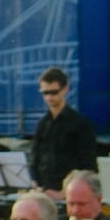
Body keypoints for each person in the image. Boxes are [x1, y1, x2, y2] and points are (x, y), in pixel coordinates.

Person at [29, 66, 96, 196]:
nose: (49, 97)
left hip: (68, 195)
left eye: (54, 92)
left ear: (65, 89)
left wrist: (64, 193)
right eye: (45, 93)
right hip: (44, 193)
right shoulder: (42, 124)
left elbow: (89, 167)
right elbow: (35, 159)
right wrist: (35, 185)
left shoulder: (81, 123)